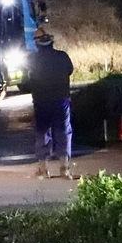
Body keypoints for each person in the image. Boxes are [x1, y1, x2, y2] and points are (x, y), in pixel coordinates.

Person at [23, 28, 74, 179]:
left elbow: (26, 77)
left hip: (41, 102)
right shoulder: (62, 56)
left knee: (42, 133)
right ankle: (65, 168)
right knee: (63, 132)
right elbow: (69, 70)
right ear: (51, 40)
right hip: (61, 101)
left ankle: (44, 170)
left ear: (37, 43)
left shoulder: (32, 59)